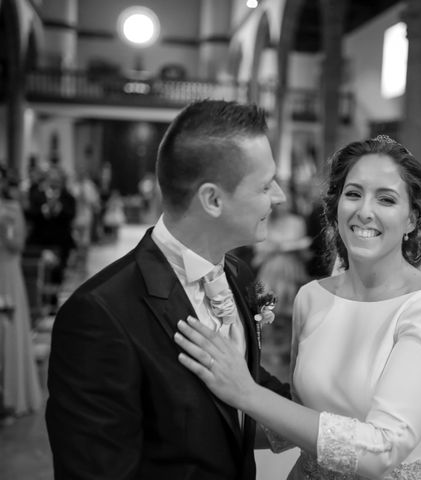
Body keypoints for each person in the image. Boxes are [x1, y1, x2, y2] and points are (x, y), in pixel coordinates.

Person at [174, 136, 421, 480]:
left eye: (386, 199)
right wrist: (184, 418)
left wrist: (246, 392)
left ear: (412, 218)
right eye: (353, 194)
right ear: (336, 207)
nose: (364, 210)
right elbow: (301, 419)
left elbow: (382, 449)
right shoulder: (312, 298)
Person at [46, 100, 290, 479]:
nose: (279, 197)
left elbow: (248, 390)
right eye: (265, 185)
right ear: (212, 199)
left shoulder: (237, 275)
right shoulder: (100, 315)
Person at [0, 167, 43, 422]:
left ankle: (10, 397)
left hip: (6, 273)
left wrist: (4, 230)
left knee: (10, 331)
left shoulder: (11, 209)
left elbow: (17, 245)